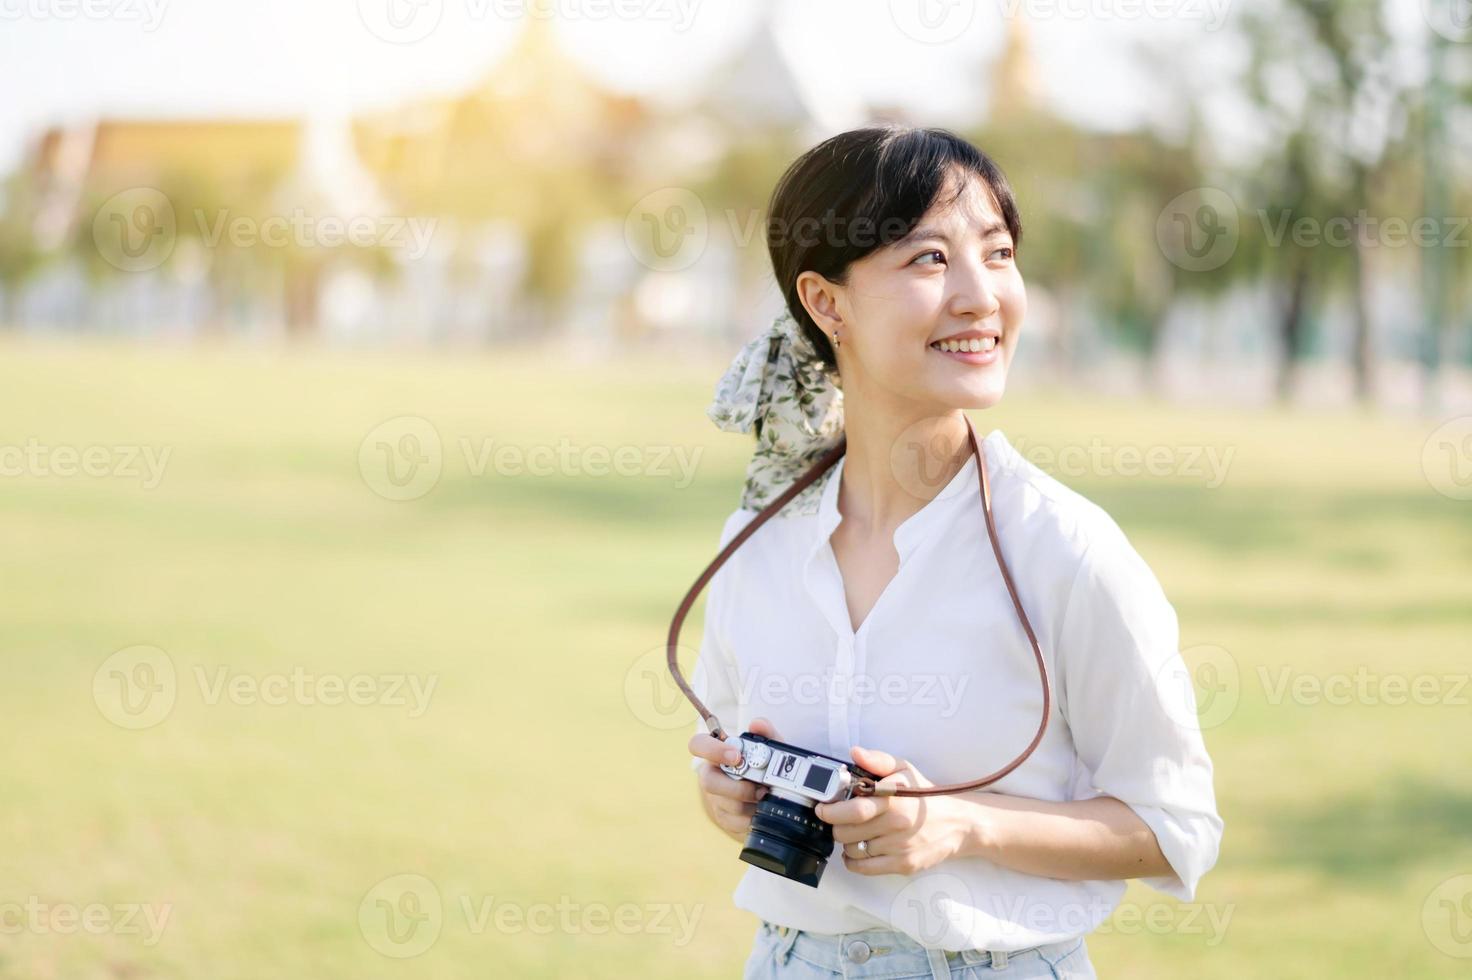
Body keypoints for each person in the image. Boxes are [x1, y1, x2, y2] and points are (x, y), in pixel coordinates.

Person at [686, 126, 1223, 979]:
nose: (982, 297)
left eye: (999, 253)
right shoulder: (756, 542)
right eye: (930, 260)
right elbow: (726, 747)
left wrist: (962, 825)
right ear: (828, 304)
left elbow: (1176, 829)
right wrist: (733, 796)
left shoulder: (1065, 548)